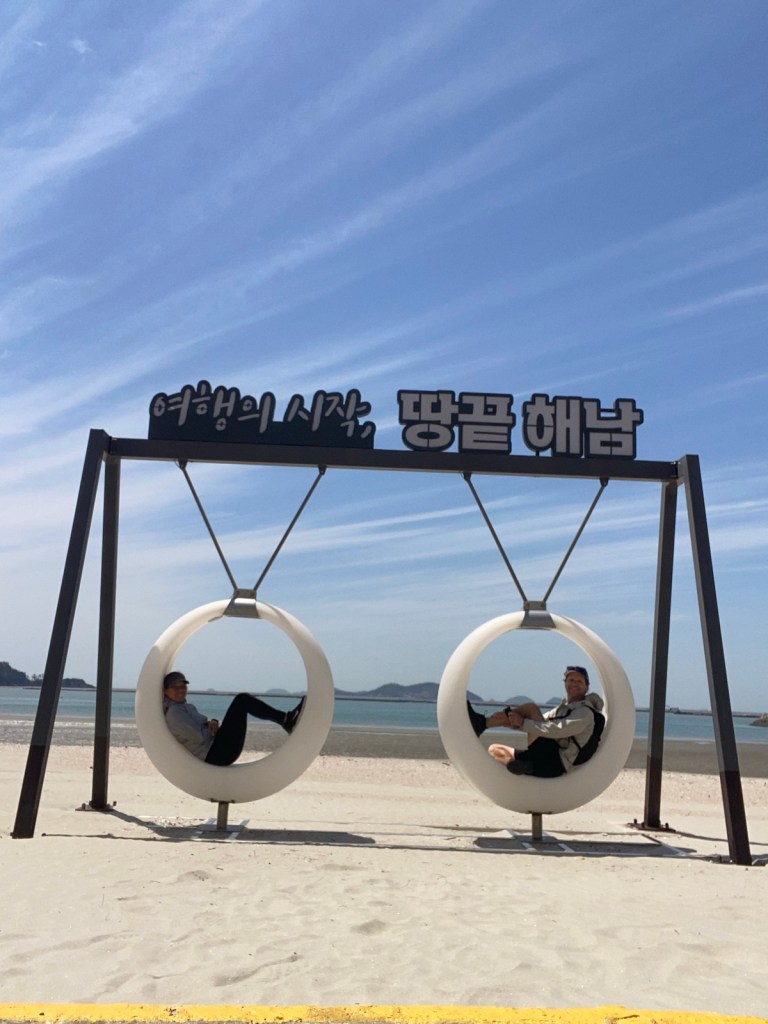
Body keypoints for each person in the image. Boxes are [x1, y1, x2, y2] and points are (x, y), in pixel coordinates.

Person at [466, 665, 604, 777]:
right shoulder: (563, 708)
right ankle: (520, 766)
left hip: (557, 762)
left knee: (531, 708)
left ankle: (482, 723)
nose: (574, 683)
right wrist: (515, 722)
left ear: (587, 687)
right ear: (565, 683)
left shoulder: (585, 713)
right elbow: (538, 722)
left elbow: (557, 730)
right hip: (542, 756)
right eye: (571, 680)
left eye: (579, 681)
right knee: (494, 749)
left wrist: (522, 723)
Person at [162, 671, 306, 766]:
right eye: (175, 687)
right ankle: (286, 720)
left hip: (218, 748)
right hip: (215, 754)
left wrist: (213, 722)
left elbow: (203, 725)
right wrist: (212, 728)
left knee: (242, 701)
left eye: (183, 686)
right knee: (242, 700)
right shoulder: (174, 713)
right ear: (165, 691)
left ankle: (287, 720)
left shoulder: (185, 706)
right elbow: (200, 737)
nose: (180, 690)